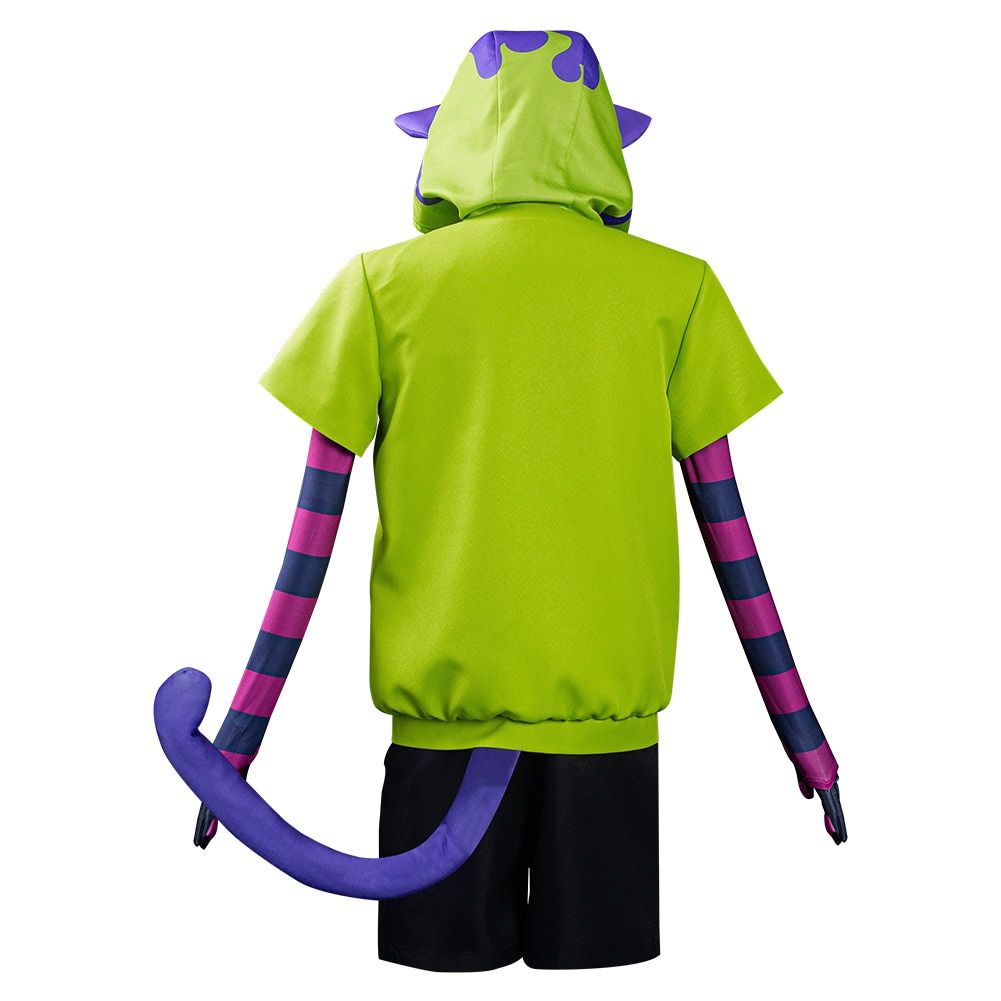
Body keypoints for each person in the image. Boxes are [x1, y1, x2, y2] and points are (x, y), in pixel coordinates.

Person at [193, 29, 845, 972]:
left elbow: (306, 551)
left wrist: (237, 744)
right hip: (609, 747)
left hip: (441, 742)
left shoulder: (380, 287)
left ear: (448, 141)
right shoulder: (677, 291)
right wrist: (806, 742)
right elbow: (733, 542)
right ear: (601, 144)